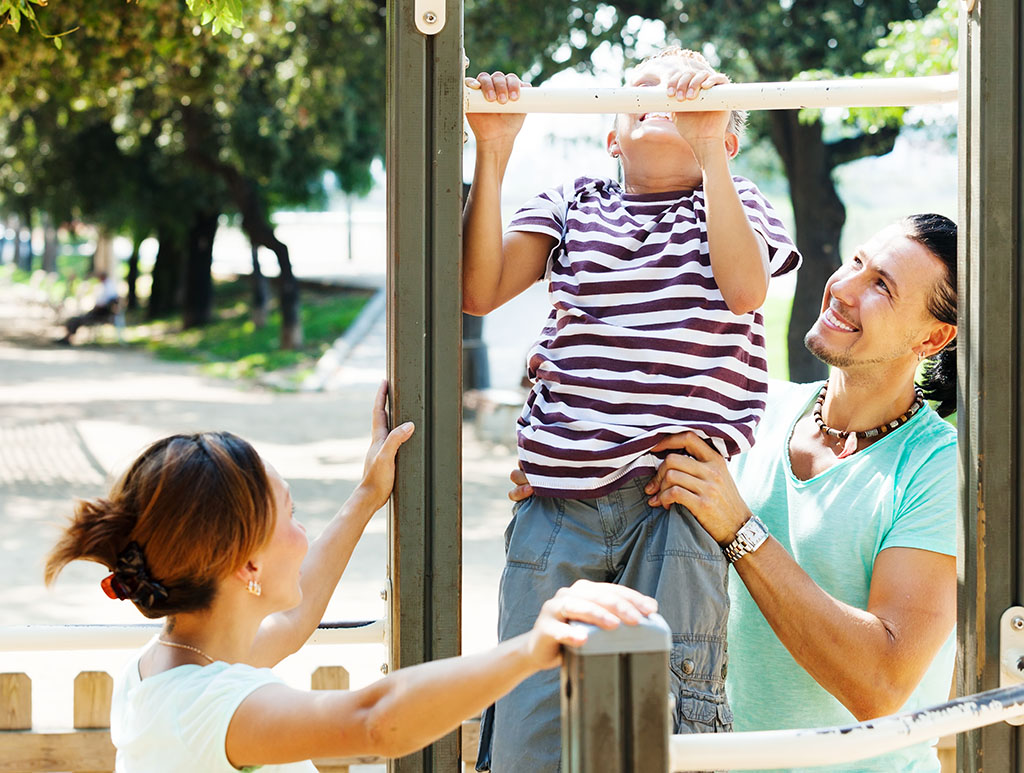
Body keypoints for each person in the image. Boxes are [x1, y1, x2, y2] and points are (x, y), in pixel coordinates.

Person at [510, 213, 959, 772]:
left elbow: (881, 683)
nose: (842, 288)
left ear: (933, 337)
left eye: (881, 287)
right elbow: (620, 470)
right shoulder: (749, 411)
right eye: (856, 262)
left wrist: (741, 532)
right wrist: (569, 470)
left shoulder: (938, 466)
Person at [463, 47, 801, 771]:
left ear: (727, 136)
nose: (660, 94)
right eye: (639, 87)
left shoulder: (736, 205)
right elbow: (479, 290)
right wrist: (493, 150)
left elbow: (746, 291)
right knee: (529, 711)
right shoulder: (572, 204)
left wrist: (709, 157)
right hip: (557, 506)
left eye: (687, 93)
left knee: (664, 725)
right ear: (610, 132)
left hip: (670, 501)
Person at [44, 380, 658, 772]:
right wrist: (530, 649)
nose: (302, 532)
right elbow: (375, 720)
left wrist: (367, 496)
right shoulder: (210, 708)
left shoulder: (167, 668)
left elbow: (295, 615)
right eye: (291, 515)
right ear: (247, 566)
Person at [59, 270, 120, 344]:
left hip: (100, 313)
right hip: (99, 311)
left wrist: (96, 307)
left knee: (75, 320)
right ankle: (67, 337)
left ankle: (67, 338)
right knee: (74, 319)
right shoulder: (107, 285)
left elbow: (104, 303)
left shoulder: (108, 287)